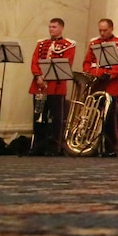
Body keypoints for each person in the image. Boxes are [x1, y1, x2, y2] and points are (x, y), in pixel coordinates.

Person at [82, 18, 118, 156]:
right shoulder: (94, 43)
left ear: (111, 28)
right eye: (100, 30)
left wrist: (106, 73)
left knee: (109, 118)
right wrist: (93, 74)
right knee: (92, 117)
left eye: (105, 30)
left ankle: (111, 147)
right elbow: (86, 63)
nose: (102, 33)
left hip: (111, 85)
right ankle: (92, 146)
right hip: (96, 85)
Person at [29, 18, 76, 155]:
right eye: (50, 27)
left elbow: (67, 63)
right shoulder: (41, 43)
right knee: (39, 117)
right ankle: (38, 146)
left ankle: (55, 147)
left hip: (57, 87)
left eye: (54, 27)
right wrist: (38, 76)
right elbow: (34, 61)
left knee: (56, 118)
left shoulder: (69, 45)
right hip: (40, 86)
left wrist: (47, 76)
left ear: (61, 28)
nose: (51, 29)